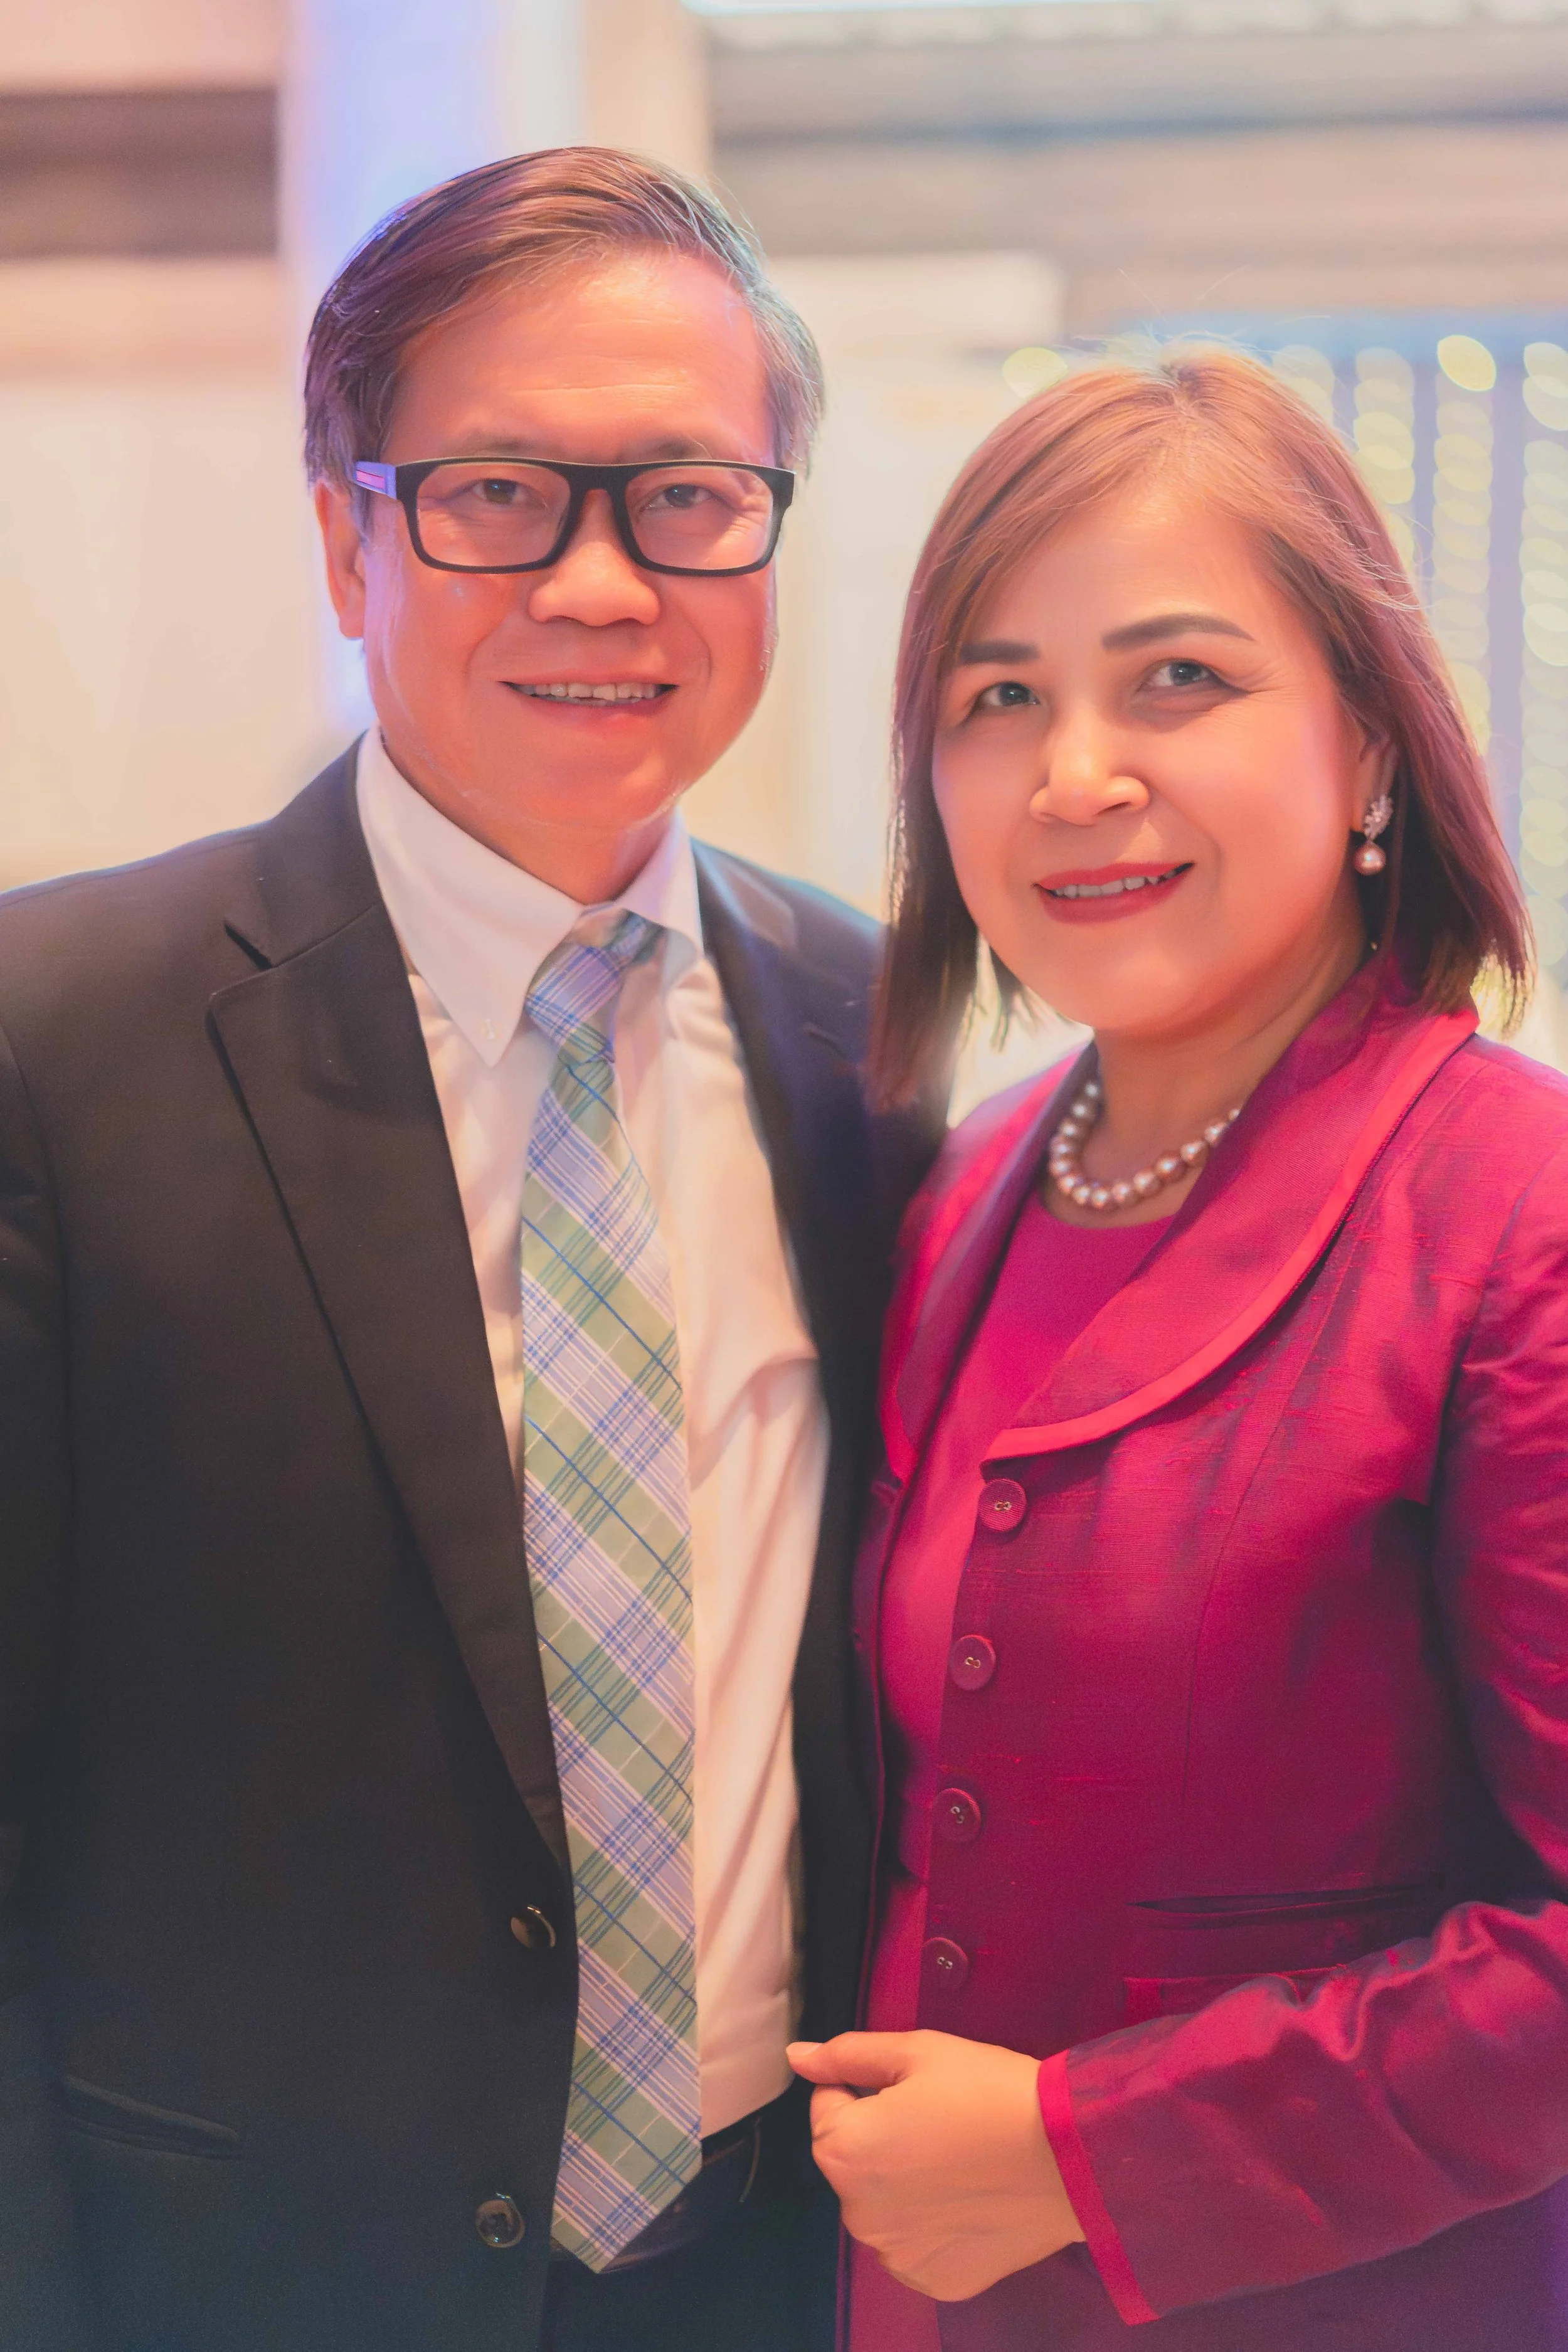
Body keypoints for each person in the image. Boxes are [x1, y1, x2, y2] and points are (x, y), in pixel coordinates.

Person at [0, 149, 941, 2352]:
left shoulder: (873, 1044)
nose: (605, 585)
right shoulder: (59, 1045)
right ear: (346, 534)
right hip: (225, 2276)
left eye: (691, 499)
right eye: (499, 493)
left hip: (758, 2266)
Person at [788, 348, 1568, 2349]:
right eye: (996, 698)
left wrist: (1089, 2148)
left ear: (1371, 740)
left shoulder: (1508, 1202)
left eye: (1175, 680)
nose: (1071, 775)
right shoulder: (965, 1188)